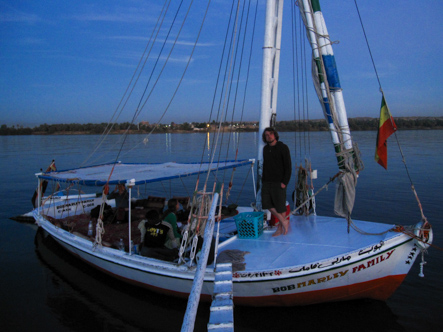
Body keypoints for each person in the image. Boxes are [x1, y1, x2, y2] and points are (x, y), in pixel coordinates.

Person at [261, 127, 292, 236]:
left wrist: (285, 182)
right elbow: (265, 165)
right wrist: (263, 179)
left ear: (275, 135)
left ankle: (280, 228)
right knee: (266, 203)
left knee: (280, 205)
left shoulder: (283, 148)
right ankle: (284, 221)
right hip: (266, 181)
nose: (268, 136)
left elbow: (288, 166)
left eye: (270, 134)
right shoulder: (265, 149)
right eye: (266, 135)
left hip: (279, 182)